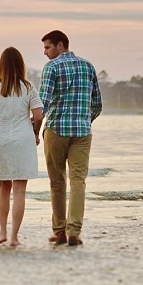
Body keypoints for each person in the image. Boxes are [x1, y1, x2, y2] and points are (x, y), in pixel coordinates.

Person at [0, 47, 43, 247]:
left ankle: (2, 232)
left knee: (4, 188)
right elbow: (38, 116)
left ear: (1, 65)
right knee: (20, 191)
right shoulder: (28, 87)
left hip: (0, 140)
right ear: (21, 65)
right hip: (23, 141)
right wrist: (35, 134)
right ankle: (14, 238)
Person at [39, 29, 102, 247]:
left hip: (56, 129)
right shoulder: (88, 66)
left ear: (60, 45)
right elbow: (97, 103)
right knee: (78, 182)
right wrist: (84, 120)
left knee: (57, 182)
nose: (45, 53)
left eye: (48, 47)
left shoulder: (52, 67)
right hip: (83, 132)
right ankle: (74, 231)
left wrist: (34, 128)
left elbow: (43, 102)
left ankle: (59, 232)